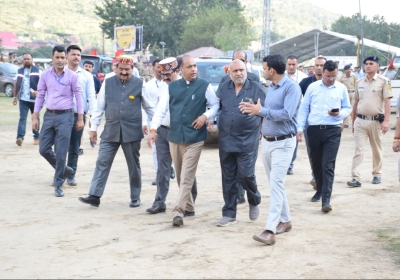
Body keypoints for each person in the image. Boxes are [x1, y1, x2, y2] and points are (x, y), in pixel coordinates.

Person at [147, 55, 219, 227]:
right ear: (180, 70)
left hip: (195, 137)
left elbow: (215, 105)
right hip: (175, 137)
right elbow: (160, 110)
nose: (193, 69)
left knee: (186, 176)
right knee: (180, 176)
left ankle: (178, 212)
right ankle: (190, 207)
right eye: (189, 67)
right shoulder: (171, 89)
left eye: (195, 66)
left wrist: (205, 116)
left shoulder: (204, 85)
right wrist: (153, 129)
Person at [239, 54, 301, 245]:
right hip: (267, 142)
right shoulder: (271, 87)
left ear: (271, 70)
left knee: (275, 185)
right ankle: (286, 220)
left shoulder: (292, 88)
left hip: (283, 143)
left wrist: (261, 111)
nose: (263, 71)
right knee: (276, 184)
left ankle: (270, 230)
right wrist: (256, 110)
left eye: (264, 68)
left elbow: (286, 114)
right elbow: (266, 112)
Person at [78, 55, 154, 208]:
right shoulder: (108, 82)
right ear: (116, 68)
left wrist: (154, 127)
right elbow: (99, 108)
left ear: (132, 69)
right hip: (110, 130)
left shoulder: (140, 84)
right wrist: (93, 129)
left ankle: (135, 197)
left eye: (127, 69)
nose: (124, 72)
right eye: (121, 69)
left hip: (132, 131)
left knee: (133, 166)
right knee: (102, 161)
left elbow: (149, 108)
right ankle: (94, 195)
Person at [297, 60, 351, 213]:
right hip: (314, 129)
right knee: (316, 162)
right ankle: (319, 188)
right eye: (328, 76)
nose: (331, 79)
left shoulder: (341, 88)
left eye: (334, 76)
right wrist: (300, 128)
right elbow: (304, 108)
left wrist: (339, 114)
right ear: (322, 73)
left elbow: (348, 107)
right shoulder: (313, 87)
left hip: (332, 130)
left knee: (328, 164)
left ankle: (326, 200)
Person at [216, 59, 265, 227]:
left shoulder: (257, 88)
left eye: (241, 70)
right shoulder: (224, 88)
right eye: (235, 71)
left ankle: (254, 198)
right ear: (229, 73)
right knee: (228, 177)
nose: (238, 73)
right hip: (226, 139)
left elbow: (265, 112)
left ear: (246, 70)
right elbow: (217, 107)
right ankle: (229, 213)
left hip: (247, 140)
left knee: (245, 174)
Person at [146, 57, 198, 215]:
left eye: (169, 74)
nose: (166, 77)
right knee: (162, 167)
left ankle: (189, 201)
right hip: (163, 130)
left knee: (184, 169)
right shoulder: (161, 87)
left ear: (178, 71)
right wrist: (153, 129)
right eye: (163, 74)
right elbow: (156, 110)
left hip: (181, 132)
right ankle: (159, 202)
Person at [32, 45, 84, 197]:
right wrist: (35, 116)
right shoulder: (45, 75)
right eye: (57, 57)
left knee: (61, 151)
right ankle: (66, 170)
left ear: (66, 58)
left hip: (66, 116)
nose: (60, 60)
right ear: (52, 58)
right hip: (49, 115)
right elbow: (40, 95)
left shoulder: (72, 76)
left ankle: (59, 183)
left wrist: (80, 118)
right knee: (43, 148)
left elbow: (78, 97)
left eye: (62, 57)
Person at [347, 56, 392, 188]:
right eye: (366, 64)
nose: (367, 66)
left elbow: (388, 102)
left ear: (377, 66)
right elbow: (355, 102)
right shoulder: (359, 82)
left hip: (376, 121)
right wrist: (353, 121)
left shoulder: (384, 81)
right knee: (358, 150)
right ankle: (355, 177)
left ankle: (377, 174)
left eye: (371, 64)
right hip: (360, 120)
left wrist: (386, 121)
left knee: (376, 149)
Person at [65, 45, 96, 186]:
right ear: (67, 56)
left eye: (78, 55)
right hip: (61, 114)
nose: (76, 57)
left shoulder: (87, 76)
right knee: (59, 146)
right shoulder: (60, 73)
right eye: (73, 54)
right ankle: (59, 173)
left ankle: (71, 175)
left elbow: (91, 97)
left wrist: (92, 118)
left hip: (79, 115)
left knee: (74, 146)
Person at [299, 56, 327, 189]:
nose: (319, 68)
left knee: (326, 151)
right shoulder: (305, 83)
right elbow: (297, 101)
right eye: (317, 65)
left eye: (322, 65)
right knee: (312, 150)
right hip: (310, 122)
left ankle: (323, 176)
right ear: (314, 67)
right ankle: (315, 174)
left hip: (328, 122)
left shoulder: (333, 83)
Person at [142, 59, 163, 185]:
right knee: (155, 149)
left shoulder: (172, 83)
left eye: (162, 67)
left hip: (169, 121)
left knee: (171, 148)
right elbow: (144, 105)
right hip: (153, 121)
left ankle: (169, 169)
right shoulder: (148, 85)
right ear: (153, 69)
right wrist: (144, 122)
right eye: (158, 67)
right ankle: (158, 174)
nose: (160, 69)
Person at [12, 53, 41, 146]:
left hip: (35, 100)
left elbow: (43, 84)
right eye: (25, 59)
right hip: (23, 100)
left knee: (35, 118)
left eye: (28, 59)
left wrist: (39, 92)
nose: (26, 60)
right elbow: (16, 84)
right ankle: (20, 138)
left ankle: (36, 137)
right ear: (23, 60)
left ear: (32, 60)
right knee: (22, 118)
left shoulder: (38, 71)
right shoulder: (19, 71)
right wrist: (14, 97)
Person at [285, 55, 307, 175]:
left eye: (294, 64)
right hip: (283, 110)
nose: (292, 67)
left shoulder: (303, 78)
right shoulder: (281, 76)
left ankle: (290, 164)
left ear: (297, 65)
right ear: (286, 64)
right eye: (289, 64)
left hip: (298, 111)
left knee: (294, 137)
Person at [339, 64, 357, 128]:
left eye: (350, 69)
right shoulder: (342, 78)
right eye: (347, 69)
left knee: (352, 108)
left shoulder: (354, 77)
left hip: (353, 93)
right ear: (345, 70)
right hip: (345, 94)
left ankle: (354, 122)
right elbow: (339, 86)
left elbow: (357, 85)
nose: (349, 70)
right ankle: (346, 123)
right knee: (345, 108)